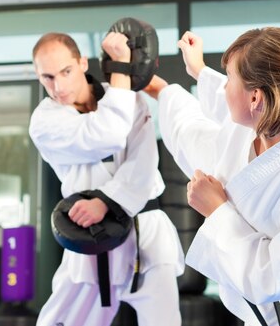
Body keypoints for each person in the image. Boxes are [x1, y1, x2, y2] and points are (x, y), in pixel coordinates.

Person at [144, 28, 280, 326]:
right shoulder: (267, 116)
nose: (224, 87)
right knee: (192, 136)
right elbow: (207, 117)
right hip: (243, 296)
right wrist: (181, 78)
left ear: (256, 97)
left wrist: (217, 210)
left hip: (277, 311)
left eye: (230, 78)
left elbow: (274, 276)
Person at [29, 31, 184, 326]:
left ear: (82, 63)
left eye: (66, 71)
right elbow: (108, 134)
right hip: (91, 234)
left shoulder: (128, 97)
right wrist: (122, 69)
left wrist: (108, 201)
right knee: (62, 321)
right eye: (47, 77)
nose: (58, 86)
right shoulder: (44, 122)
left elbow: (145, 162)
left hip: (146, 226)